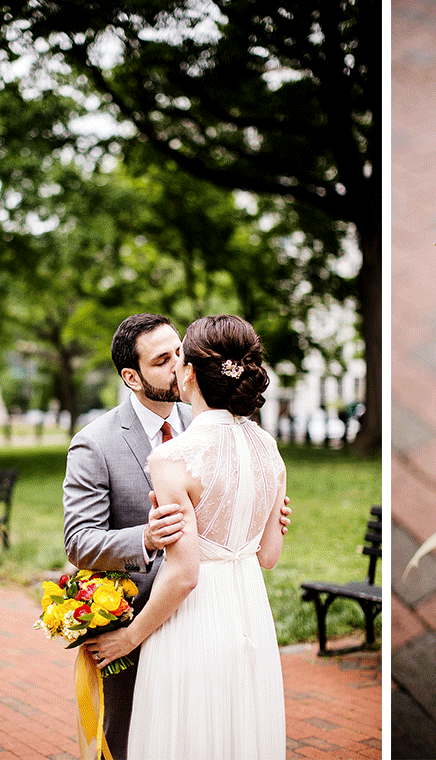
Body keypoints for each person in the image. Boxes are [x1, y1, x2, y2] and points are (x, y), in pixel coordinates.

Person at [63, 313, 290, 758]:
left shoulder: (206, 421)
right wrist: (144, 539)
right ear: (131, 376)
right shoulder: (95, 442)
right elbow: (78, 542)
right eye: (162, 359)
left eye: (178, 354)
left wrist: (261, 510)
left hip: (200, 616)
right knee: (128, 738)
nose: (176, 365)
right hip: (134, 611)